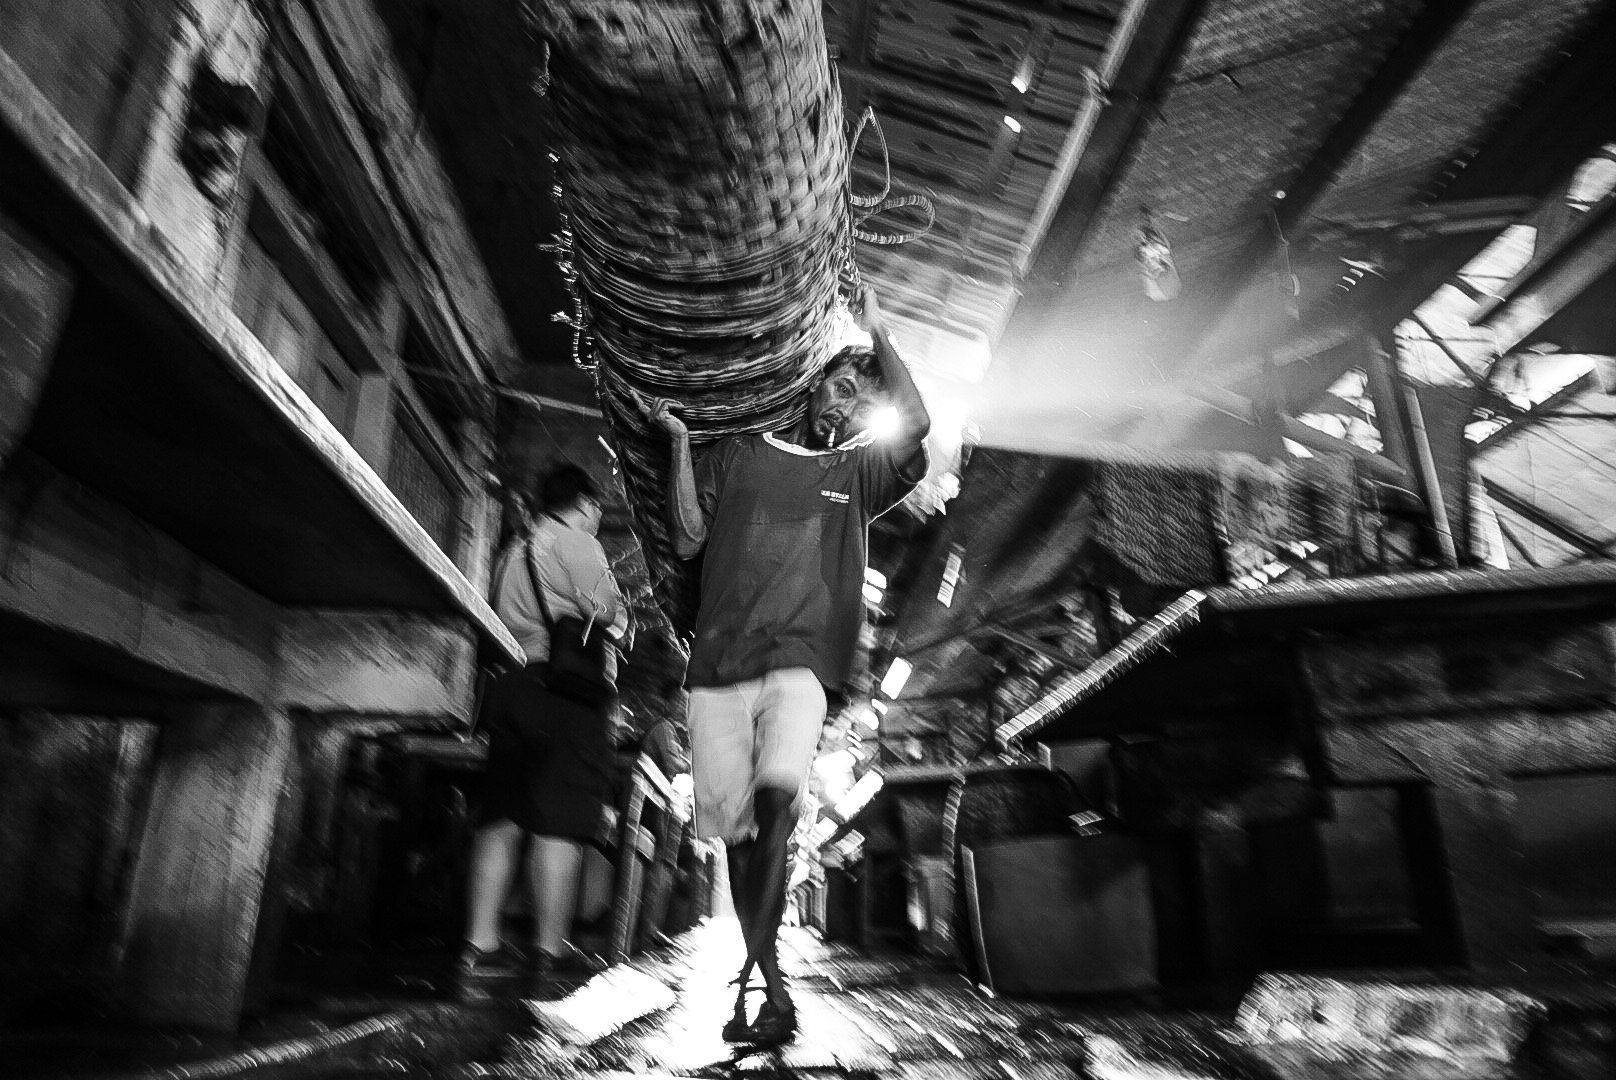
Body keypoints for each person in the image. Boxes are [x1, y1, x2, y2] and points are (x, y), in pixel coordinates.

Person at [643, 284, 929, 1042]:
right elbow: (688, 539)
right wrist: (677, 443)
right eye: (841, 386)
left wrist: (879, 330)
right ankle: (771, 989)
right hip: (716, 665)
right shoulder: (739, 453)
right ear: (812, 384)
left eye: (861, 402)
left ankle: (758, 983)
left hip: (801, 663)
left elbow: (918, 426)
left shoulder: (860, 474)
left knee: (777, 807)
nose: (846, 407)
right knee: (739, 839)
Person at [460, 464, 629, 987]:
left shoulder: (512, 550)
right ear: (585, 503)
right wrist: (619, 614)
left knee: (502, 817)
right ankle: (549, 950)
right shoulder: (577, 543)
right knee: (561, 819)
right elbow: (609, 613)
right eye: (596, 507)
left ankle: (480, 944)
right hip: (565, 695)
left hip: (512, 687)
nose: (598, 515)